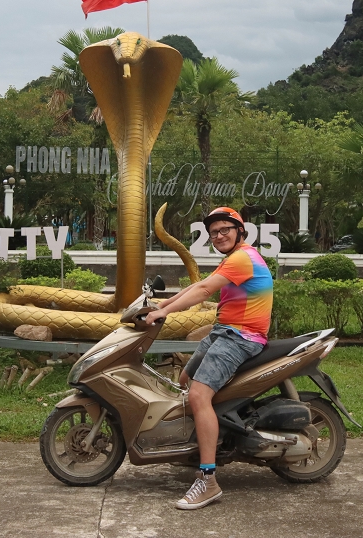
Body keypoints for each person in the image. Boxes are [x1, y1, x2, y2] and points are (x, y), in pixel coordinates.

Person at [145, 206, 274, 510]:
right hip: (224, 332)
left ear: (239, 231)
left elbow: (203, 291)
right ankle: (199, 445)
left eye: (224, 230)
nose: (218, 236)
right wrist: (160, 304)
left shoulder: (243, 258)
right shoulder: (233, 259)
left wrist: (163, 312)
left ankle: (208, 480)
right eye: (214, 232)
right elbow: (196, 286)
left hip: (241, 337)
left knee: (199, 396)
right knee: (185, 379)